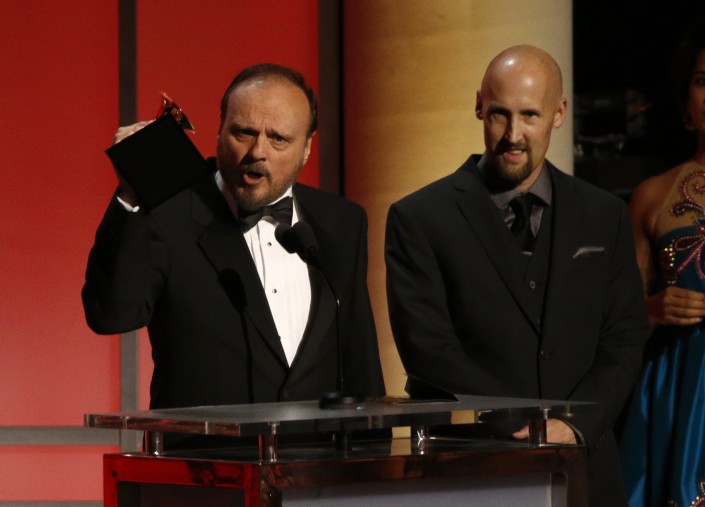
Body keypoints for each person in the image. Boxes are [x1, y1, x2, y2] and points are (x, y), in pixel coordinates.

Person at [385, 45, 649, 506]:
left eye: (529, 115)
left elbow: (624, 338)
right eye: (499, 114)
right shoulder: (420, 218)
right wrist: (520, 425)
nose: (513, 134)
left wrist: (574, 424)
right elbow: (428, 349)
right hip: (472, 471)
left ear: (559, 113)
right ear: (478, 107)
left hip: (587, 473)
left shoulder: (604, 214)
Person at [82, 64, 385, 429]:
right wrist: (132, 195)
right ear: (220, 129)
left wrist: (373, 453)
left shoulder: (342, 221)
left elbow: (360, 355)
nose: (257, 152)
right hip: (206, 457)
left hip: (316, 458)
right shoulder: (166, 213)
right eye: (244, 133)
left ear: (306, 148)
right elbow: (111, 314)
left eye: (278, 139)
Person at [620, 20, 705, 507]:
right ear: (687, 104)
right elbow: (615, 321)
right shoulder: (652, 196)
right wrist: (651, 309)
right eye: (703, 80)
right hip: (677, 387)